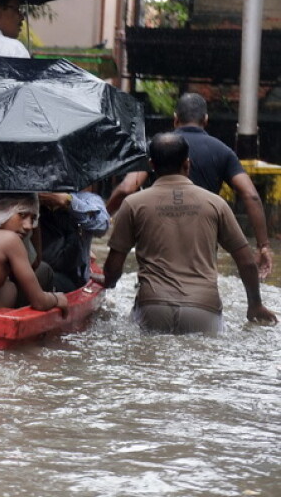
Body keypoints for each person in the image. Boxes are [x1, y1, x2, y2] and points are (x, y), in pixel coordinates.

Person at [103, 133, 276, 335]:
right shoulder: (215, 204)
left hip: (153, 307)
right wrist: (254, 304)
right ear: (187, 164)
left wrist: (107, 284)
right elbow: (246, 262)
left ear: (151, 164)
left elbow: (114, 266)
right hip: (204, 309)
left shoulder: (133, 204)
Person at [106, 93, 273, 279]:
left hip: (157, 236)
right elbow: (251, 195)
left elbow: (127, 188)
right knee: (202, 284)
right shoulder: (222, 151)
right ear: (206, 119)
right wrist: (263, 245)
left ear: (176, 118)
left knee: (152, 282)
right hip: (202, 243)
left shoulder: (156, 147)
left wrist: (101, 216)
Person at [38, 189, 109, 292]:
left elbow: (102, 226)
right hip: (38, 269)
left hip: (72, 276)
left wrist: (68, 202)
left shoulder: (86, 199)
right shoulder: (31, 199)